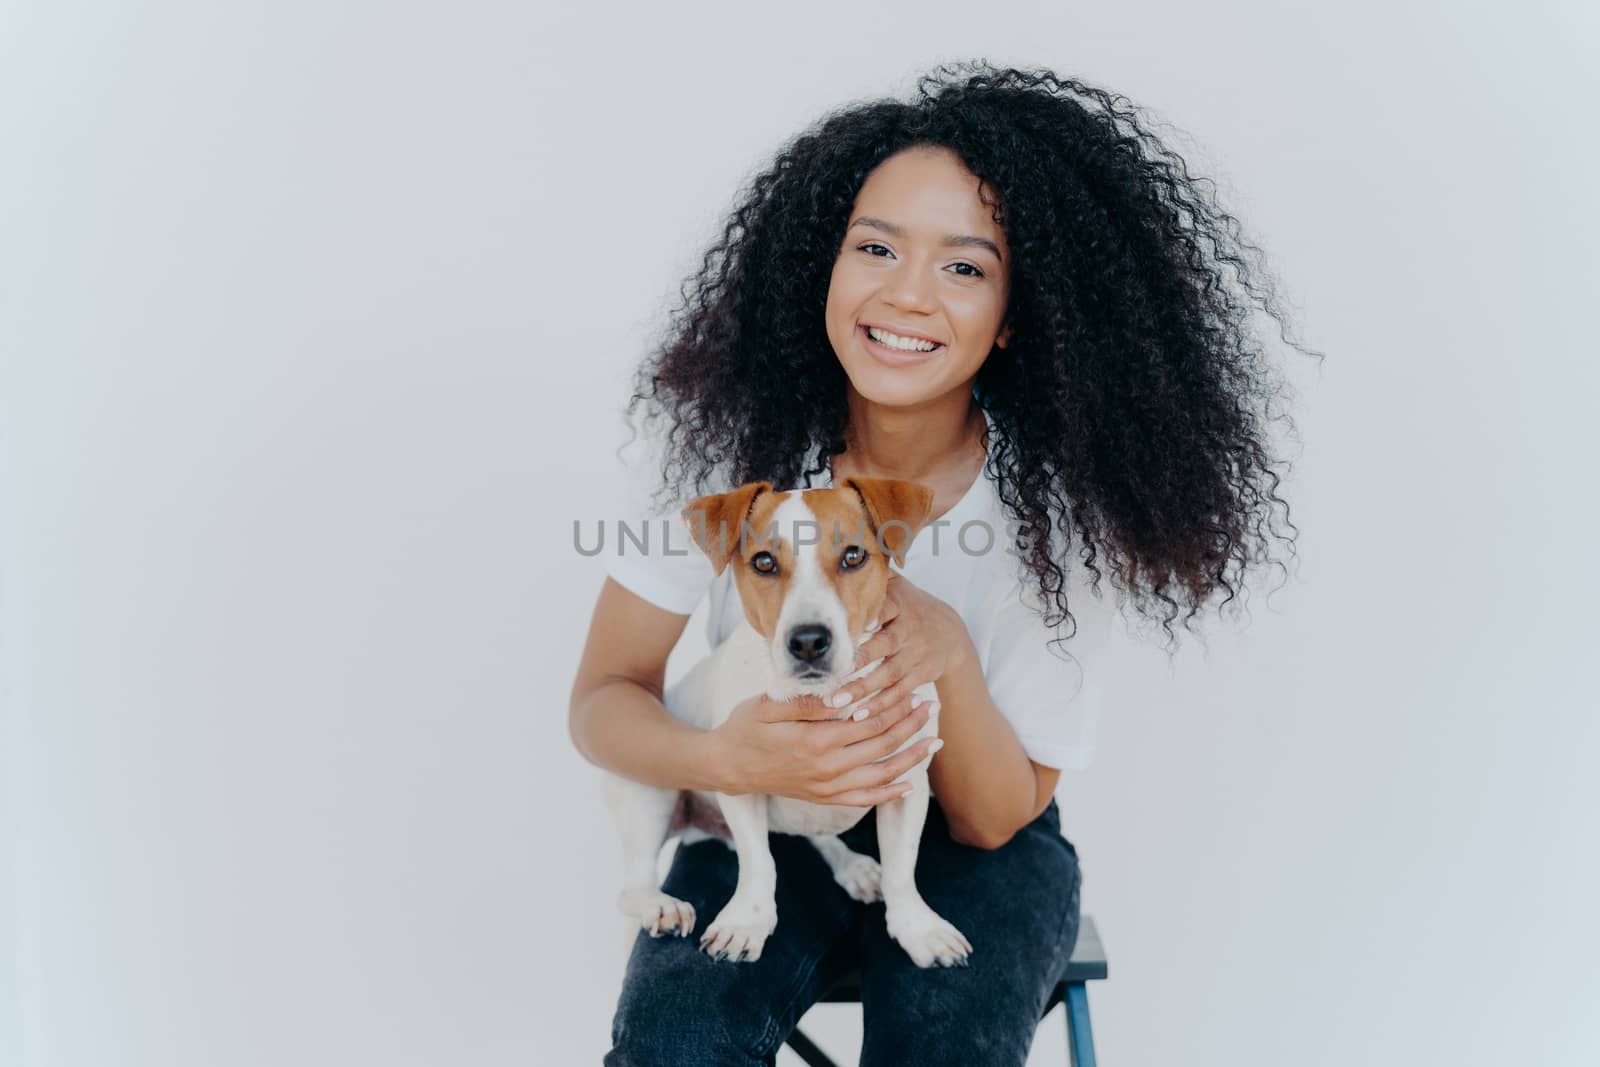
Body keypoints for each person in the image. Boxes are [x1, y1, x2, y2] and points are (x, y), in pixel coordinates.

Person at [569, 60, 1316, 1066]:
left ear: (1016, 313)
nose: (906, 293)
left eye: (964, 266)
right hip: (759, 813)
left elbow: (998, 813)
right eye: (873, 246)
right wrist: (722, 760)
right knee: (678, 1040)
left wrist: (946, 650)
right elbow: (603, 697)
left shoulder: (1063, 514)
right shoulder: (720, 458)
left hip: (976, 844)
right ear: (818, 264)